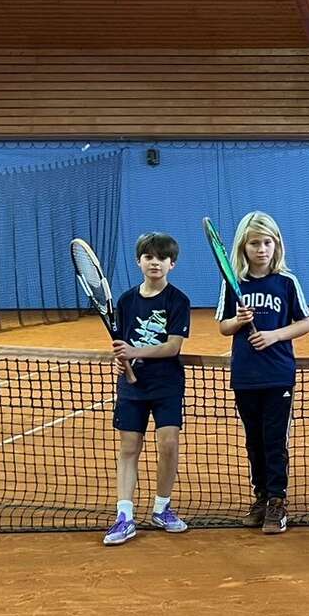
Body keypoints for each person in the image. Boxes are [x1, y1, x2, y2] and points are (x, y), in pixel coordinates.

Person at [216, 212, 309, 534]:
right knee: (254, 441)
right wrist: (239, 321)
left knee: (274, 440)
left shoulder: (286, 282)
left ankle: (277, 500)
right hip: (245, 375)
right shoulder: (234, 284)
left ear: (277, 245)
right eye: (254, 243)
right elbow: (223, 327)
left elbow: (305, 323)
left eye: (267, 242)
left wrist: (273, 335)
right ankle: (260, 497)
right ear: (243, 247)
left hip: (278, 374)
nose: (261, 249)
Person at [104, 232, 192, 546]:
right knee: (129, 447)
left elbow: (172, 347)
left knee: (168, 444)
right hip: (132, 388)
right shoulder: (126, 301)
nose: (155, 263)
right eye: (149, 257)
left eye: (162, 258)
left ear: (172, 264)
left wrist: (134, 352)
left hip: (167, 384)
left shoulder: (178, 301)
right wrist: (121, 360)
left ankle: (162, 508)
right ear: (139, 261)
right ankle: (124, 516)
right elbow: (122, 344)